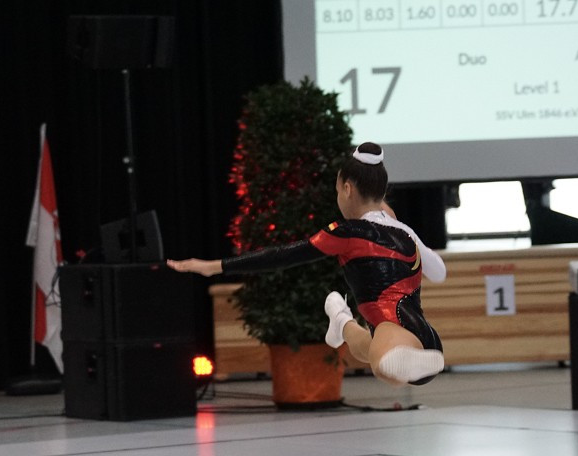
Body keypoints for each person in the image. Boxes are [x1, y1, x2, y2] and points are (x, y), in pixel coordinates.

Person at [168, 142, 445, 386]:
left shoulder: (345, 232)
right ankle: (358, 332)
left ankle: (346, 323)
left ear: (347, 189)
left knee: (381, 356)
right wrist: (406, 233)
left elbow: (281, 255)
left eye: (337, 189)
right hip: (426, 339)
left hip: (397, 339)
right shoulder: (403, 231)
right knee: (380, 353)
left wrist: (214, 265)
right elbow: (439, 272)